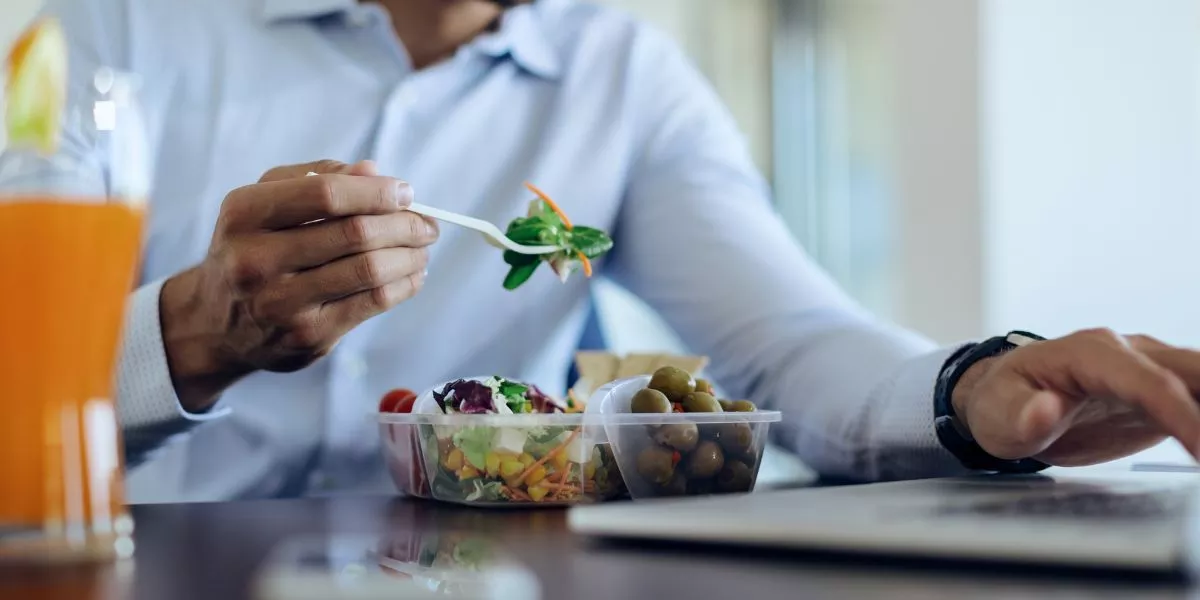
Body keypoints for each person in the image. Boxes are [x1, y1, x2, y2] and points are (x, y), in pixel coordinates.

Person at [15, 0, 1200, 502]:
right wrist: (190, 336)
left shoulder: (622, 77)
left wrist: (973, 391)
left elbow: (792, 340)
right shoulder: (112, 29)